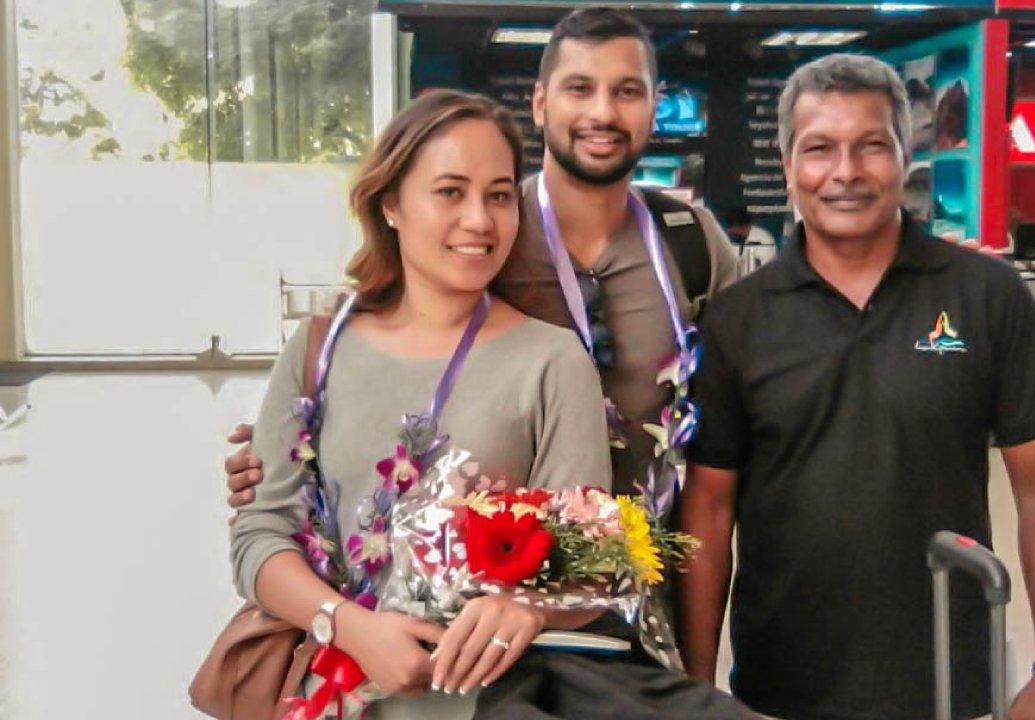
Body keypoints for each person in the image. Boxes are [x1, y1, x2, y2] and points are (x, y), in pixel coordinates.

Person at [676, 53, 1035, 720]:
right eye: (819, 149)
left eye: (871, 145)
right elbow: (709, 510)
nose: (846, 172)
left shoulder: (987, 296)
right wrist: (692, 688)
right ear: (787, 165)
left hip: (948, 681)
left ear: (906, 156)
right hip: (781, 686)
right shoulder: (737, 320)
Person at [225, 7, 739, 506]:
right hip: (492, 555)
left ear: (654, 105)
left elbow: (741, 411)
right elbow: (385, 338)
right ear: (539, 104)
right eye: (579, 89)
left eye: (627, 92)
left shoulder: (691, 244)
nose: (602, 113)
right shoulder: (482, 234)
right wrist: (299, 439)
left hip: (653, 552)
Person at [231, 90, 612, 718]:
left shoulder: (553, 361)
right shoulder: (320, 347)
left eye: (498, 196)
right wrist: (349, 625)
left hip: (490, 703)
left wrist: (527, 607)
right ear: (391, 206)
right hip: (329, 697)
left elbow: (587, 562)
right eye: (450, 192)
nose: (480, 220)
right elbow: (259, 534)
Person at [724, 205, 779, 274]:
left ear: (738, 226)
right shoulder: (739, 238)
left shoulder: (763, 239)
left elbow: (763, 267)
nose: (728, 231)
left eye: (730, 228)